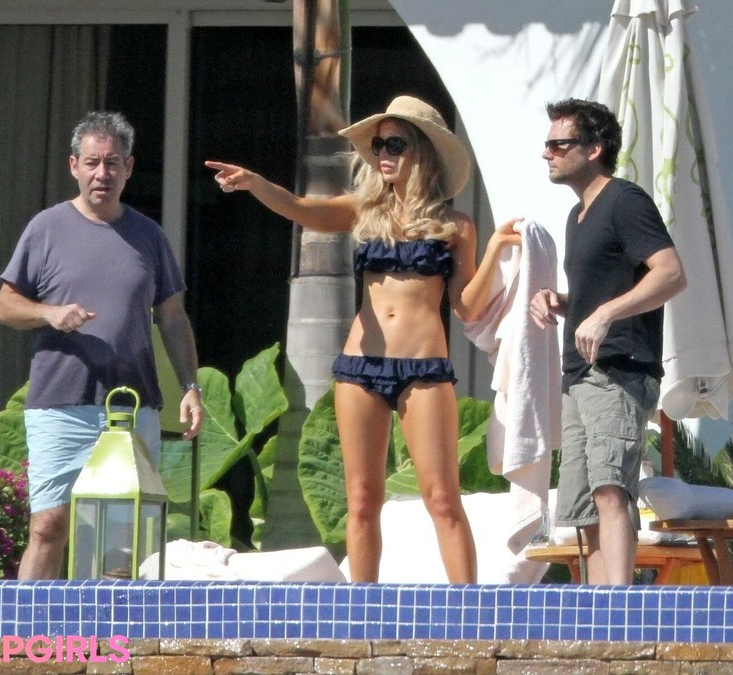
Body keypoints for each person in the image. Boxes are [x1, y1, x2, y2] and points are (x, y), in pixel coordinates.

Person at [206, 95, 519, 583]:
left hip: (423, 368)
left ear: (422, 151)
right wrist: (254, 183)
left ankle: (470, 611)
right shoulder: (364, 210)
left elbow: (467, 307)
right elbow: (303, 209)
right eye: (378, 145)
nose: (383, 154)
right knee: (361, 499)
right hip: (360, 367)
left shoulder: (456, 226)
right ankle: (362, 612)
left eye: (395, 144)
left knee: (442, 498)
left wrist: (496, 248)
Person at [0, 111, 204, 580]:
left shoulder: (149, 236)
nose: (102, 174)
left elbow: (172, 318)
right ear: (74, 166)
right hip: (60, 405)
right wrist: (49, 313)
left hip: (132, 408)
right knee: (49, 526)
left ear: (129, 168)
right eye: (92, 163)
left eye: (112, 163)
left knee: (123, 539)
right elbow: (5, 306)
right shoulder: (46, 228)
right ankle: (29, 627)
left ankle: (112, 629)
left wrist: (190, 386)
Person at [529, 98, 686, 585]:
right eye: (547, 144)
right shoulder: (578, 216)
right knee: (583, 508)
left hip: (619, 369)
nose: (547, 153)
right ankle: (600, 614)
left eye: (559, 144)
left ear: (594, 148)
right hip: (580, 373)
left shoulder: (625, 201)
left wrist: (605, 313)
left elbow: (671, 273)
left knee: (610, 489)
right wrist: (564, 301)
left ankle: (621, 611)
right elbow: (607, 289)